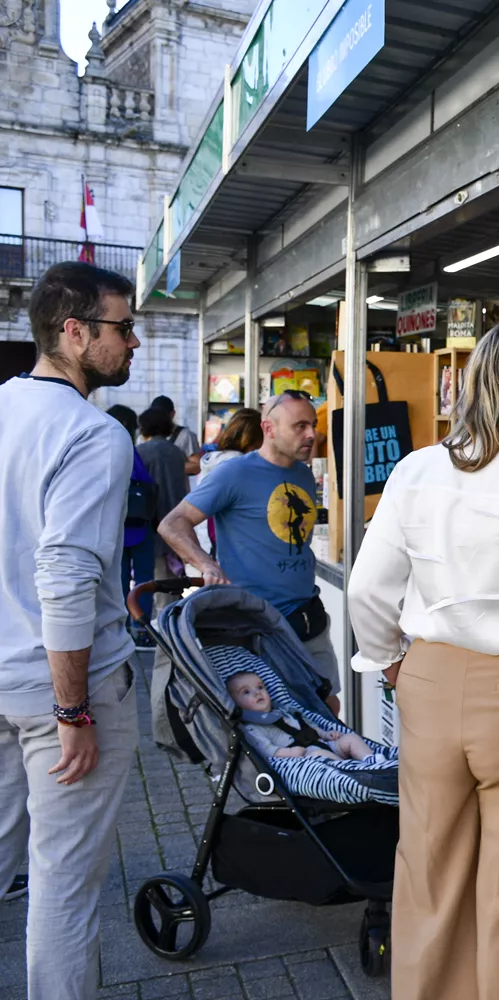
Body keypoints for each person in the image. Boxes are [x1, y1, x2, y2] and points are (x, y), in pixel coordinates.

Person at [347, 315, 499, 1000]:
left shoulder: (419, 468)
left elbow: (368, 589)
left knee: (428, 870)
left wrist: (390, 661)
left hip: (429, 675)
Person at [0, 260, 141, 999]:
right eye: (122, 328)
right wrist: (72, 709)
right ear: (74, 332)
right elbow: (65, 578)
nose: (135, 342)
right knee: (62, 883)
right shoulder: (93, 435)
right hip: (60, 689)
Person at [156, 392, 339, 710]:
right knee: (271, 718)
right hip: (255, 624)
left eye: (312, 424)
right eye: (300, 426)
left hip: (307, 617)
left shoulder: (302, 473)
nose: (311, 434)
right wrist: (207, 565)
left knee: (328, 707)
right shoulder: (234, 473)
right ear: (269, 428)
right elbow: (173, 523)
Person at [225, 673, 375, 762]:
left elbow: (309, 726)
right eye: (246, 692)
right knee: (318, 754)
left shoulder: (284, 711)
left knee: (350, 738)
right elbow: (267, 751)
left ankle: (371, 761)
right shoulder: (252, 728)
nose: (257, 693)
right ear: (234, 703)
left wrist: (325, 734)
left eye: (260, 687)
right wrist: (289, 753)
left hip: (325, 744)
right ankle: (354, 773)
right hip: (305, 757)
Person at [106, 405, 157, 638]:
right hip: (139, 524)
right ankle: (141, 627)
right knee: (143, 578)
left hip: (117, 525)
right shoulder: (129, 450)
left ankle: (124, 626)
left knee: (121, 578)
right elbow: (144, 482)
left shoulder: (104, 448)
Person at [195, 408, 263, 557]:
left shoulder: (215, 460)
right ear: (253, 440)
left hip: (212, 543)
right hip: (231, 547)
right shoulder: (238, 465)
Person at [136, 407, 189, 581]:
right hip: (177, 519)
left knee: (152, 581)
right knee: (172, 580)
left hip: (150, 523)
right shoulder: (177, 452)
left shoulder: (141, 452)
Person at [150, 394, 203, 475]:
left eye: (163, 415)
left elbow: (197, 466)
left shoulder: (185, 436)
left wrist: (169, 467)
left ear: (173, 414)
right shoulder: (144, 436)